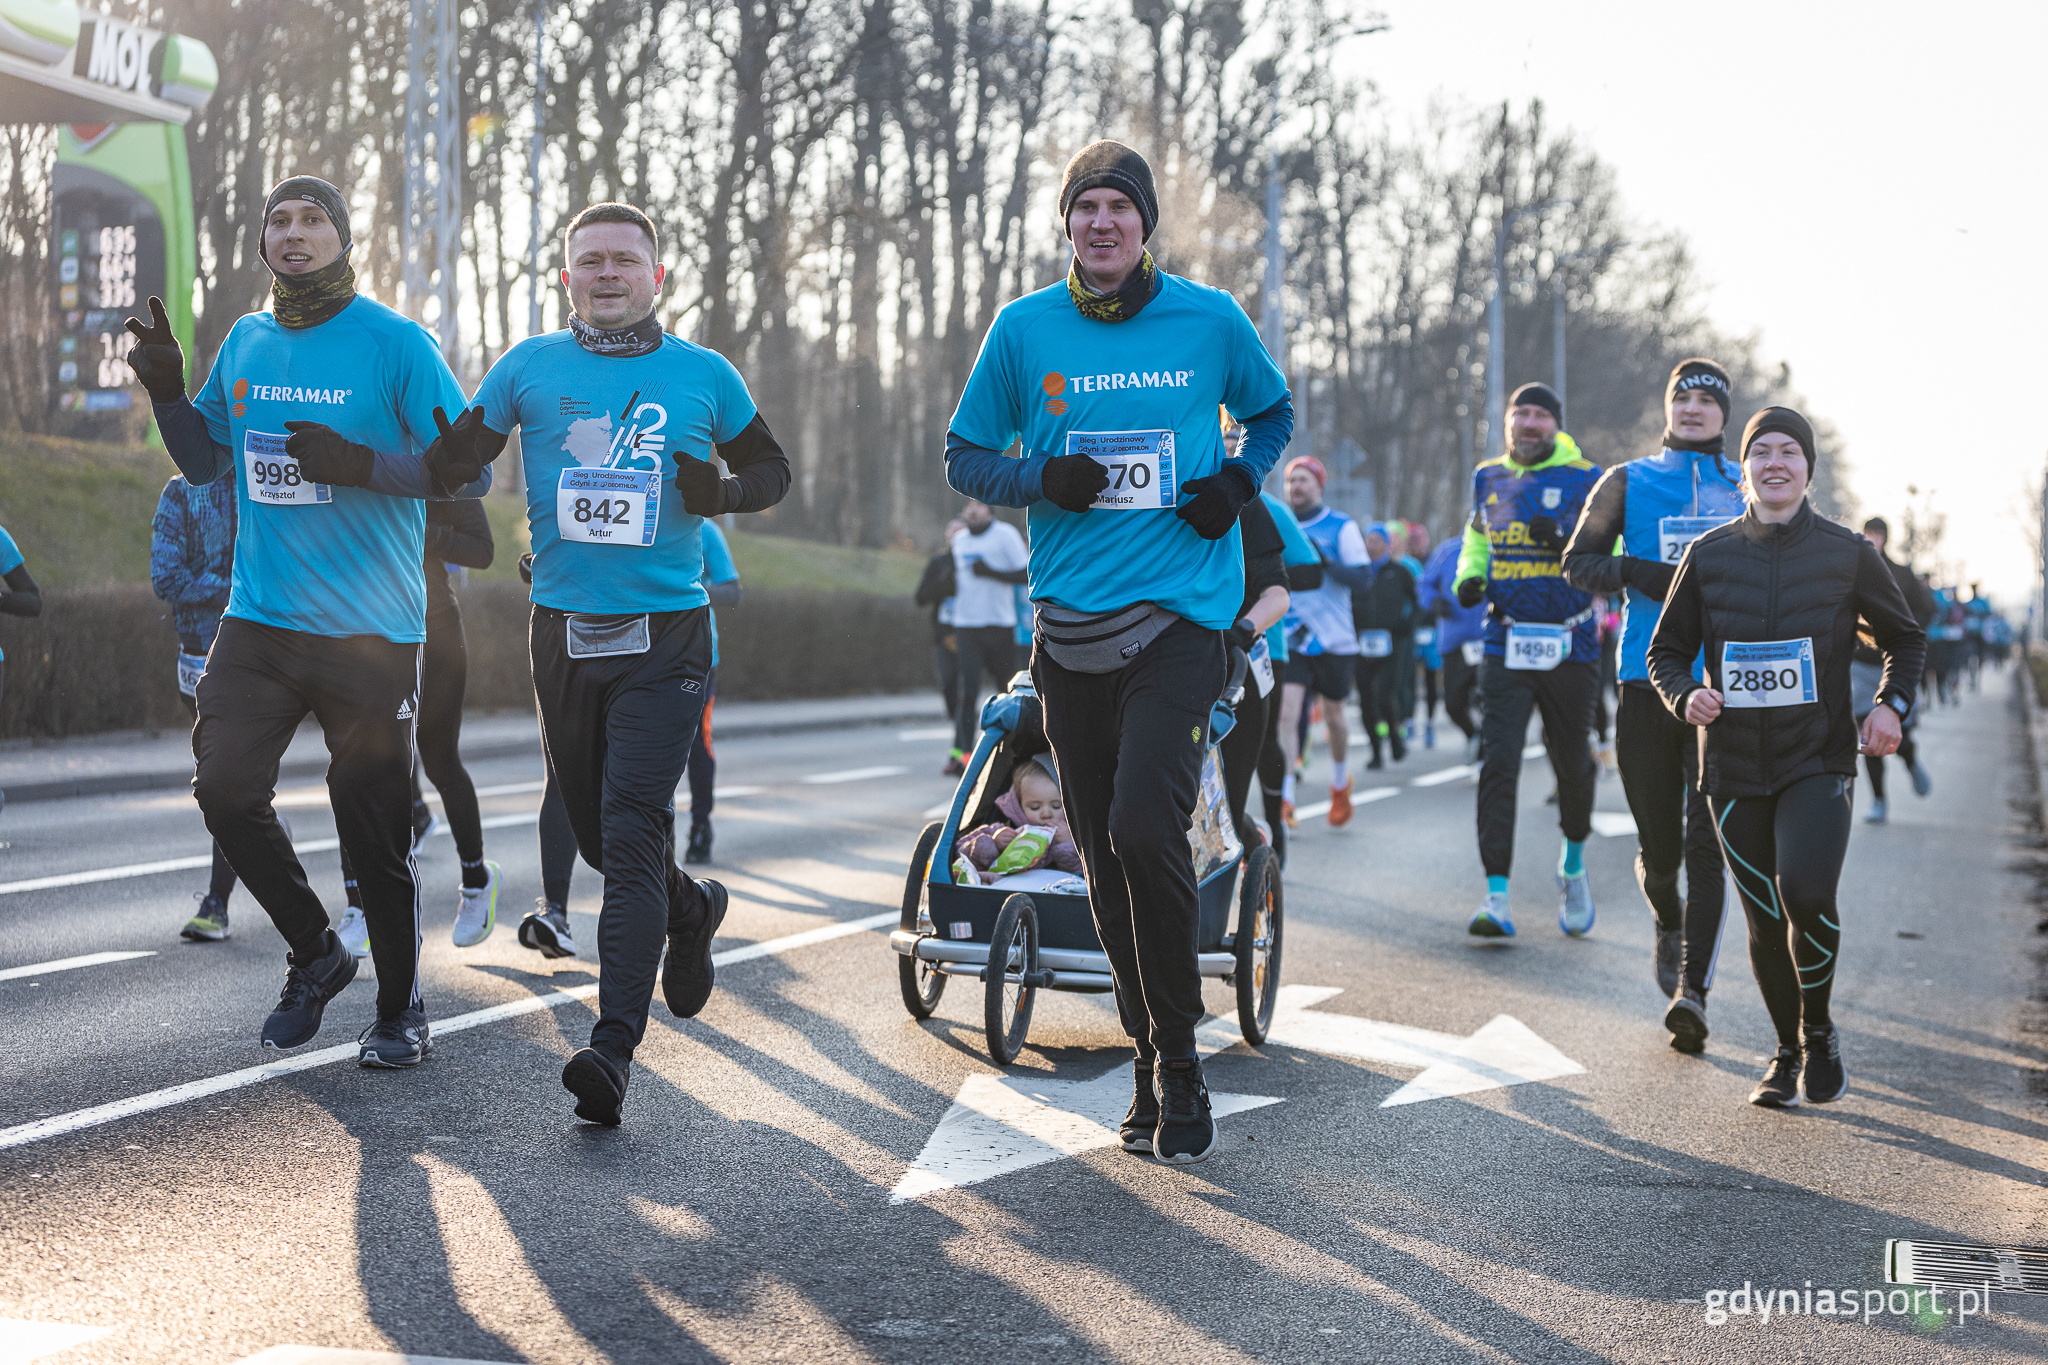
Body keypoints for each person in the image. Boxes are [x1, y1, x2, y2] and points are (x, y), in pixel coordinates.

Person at [943, 140, 1291, 1163]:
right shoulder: (1021, 329)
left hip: (1179, 622)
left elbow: (1269, 413)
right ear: (1068, 224)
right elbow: (964, 455)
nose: (1101, 224)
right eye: (1084, 207)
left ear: (1145, 226)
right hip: (1068, 636)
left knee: (1147, 827)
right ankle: (1146, 1053)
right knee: (1099, 858)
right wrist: (1040, 478)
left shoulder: (1208, 319)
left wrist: (1236, 483)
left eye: (1118, 209)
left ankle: (1178, 1061)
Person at [125, 177, 491, 1067]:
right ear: (264, 243)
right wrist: (169, 393)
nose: (294, 233)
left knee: (373, 827)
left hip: (371, 633)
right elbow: (209, 459)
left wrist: (362, 462)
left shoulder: (397, 345)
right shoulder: (247, 341)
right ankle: (318, 952)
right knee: (223, 790)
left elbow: (469, 474)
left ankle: (401, 1012)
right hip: (260, 619)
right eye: (279, 221)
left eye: (313, 219)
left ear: (342, 237)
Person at [464, 201, 789, 1125]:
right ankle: (690, 909)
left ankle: (612, 1049)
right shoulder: (528, 367)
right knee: (609, 844)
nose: (607, 274)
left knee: (633, 827)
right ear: (567, 277)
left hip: (668, 638)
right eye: (589, 261)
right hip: (562, 631)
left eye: (624, 260)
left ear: (656, 275)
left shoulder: (703, 374)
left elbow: (774, 472)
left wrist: (722, 491)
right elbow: (459, 458)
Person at [1648, 407, 1925, 1107]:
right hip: (1734, 767)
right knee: (1765, 916)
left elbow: (1905, 637)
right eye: (1761, 452)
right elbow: (1666, 653)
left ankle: (1820, 1029)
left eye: (1789, 452)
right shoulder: (1707, 555)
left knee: (1805, 892)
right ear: (1743, 468)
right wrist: (1686, 698)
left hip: (1817, 758)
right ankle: (1784, 1051)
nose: (1775, 463)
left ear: (1807, 468)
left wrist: (1891, 703)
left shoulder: (1845, 552)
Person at [1560, 357, 1742, 1036]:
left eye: (1706, 399)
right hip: (1646, 680)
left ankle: (1693, 990)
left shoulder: (1745, 486)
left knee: (1708, 839)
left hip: (1725, 689)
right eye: (1682, 397)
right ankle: (1666, 915)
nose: (1693, 407)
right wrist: (1643, 572)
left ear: (1724, 414)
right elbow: (1577, 564)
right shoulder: (1628, 481)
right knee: (1662, 849)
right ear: (1668, 408)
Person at [1453, 382, 1602, 940]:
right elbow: (1477, 539)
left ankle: (1573, 866)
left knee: (1572, 765)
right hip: (1506, 641)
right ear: (1509, 422)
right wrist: (1468, 577)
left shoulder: (1589, 478)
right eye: (1522, 413)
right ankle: (1496, 895)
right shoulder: (1488, 476)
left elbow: (1610, 555)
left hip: (1571, 643)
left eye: (1541, 415)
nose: (1530, 423)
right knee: (1499, 765)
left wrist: (1564, 539)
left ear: (1556, 425)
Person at [151, 473, 240, 942]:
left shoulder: (258, 478)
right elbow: (165, 577)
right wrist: (235, 587)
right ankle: (262, 825)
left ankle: (215, 905)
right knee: (225, 781)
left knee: (225, 779)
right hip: (196, 661)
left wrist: (212, 585)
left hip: (251, 658)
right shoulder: (180, 492)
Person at [1276, 455, 1370, 826]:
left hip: (1334, 638)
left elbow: (1363, 580)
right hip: (1293, 637)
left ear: (1319, 485)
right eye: (1291, 480)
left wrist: (1323, 560)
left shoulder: (1340, 526)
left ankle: (1339, 781)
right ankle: (1285, 795)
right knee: (1287, 712)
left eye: (1303, 480)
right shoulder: (1279, 522)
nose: (1296, 487)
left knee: (1334, 718)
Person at [1854, 517, 1936, 824]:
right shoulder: (1852, 568)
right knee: (1868, 735)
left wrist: (1902, 628)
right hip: (1862, 664)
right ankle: (1878, 801)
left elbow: (1928, 609)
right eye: (1868, 533)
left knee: (1899, 734)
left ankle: (1912, 762)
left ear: (1886, 538)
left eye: (1878, 534)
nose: (1873, 539)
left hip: (1895, 664)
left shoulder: (1902, 574)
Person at [944, 500, 1029, 773]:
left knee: (1005, 692)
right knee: (967, 694)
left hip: (999, 624)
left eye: (979, 504)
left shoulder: (1005, 535)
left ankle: (1011, 756)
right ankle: (962, 757)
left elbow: (1027, 573)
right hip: (966, 625)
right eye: (967, 505)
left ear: (989, 508)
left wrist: (991, 571)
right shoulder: (960, 542)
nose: (972, 510)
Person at [684, 518, 742, 863]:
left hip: (698, 656)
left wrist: (684, 590)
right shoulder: (637, 513)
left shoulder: (705, 531)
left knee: (696, 742)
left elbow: (732, 591)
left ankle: (701, 825)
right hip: (643, 652)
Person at [953, 755, 1083, 883]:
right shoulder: (1005, 829)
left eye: (1056, 806)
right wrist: (992, 844)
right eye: (1035, 807)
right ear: (1019, 805)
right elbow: (957, 853)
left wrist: (1068, 845)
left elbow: (1082, 876)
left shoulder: (1077, 837)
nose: (1046, 814)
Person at [1418, 521, 1487, 755]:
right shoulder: (1447, 551)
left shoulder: (1501, 549)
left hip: (1490, 640)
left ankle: (1488, 747)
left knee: (1489, 700)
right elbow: (1425, 585)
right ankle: (1473, 735)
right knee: (1453, 704)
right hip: (1455, 640)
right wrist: (1434, 602)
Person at [1351, 524, 1416, 770]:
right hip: (1362, 645)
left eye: (1377, 540)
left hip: (1392, 645)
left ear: (1388, 545)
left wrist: (1406, 625)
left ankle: (1396, 739)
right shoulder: (1359, 574)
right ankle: (1376, 751)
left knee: (1384, 695)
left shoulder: (1400, 572)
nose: (1372, 545)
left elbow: (1417, 603)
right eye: (1368, 540)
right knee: (1366, 699)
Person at [915, 519, 965, 722]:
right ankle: (957, 727)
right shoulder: (939, 563)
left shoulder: (976, 560)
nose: (956, 537)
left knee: (967, 688)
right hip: (943, 635)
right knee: (948, 683)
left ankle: (965, 736)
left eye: (961, 532)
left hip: (972, 632)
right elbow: (920, 597)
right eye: (952, 532)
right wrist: (942, 586)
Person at [1404, 521, 1443, 747]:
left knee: (1430, 677)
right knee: (1408, 677)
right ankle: (1409, 720)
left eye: (1419, 540)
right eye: (1412, 540)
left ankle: (1429, 722)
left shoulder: (1433, 561)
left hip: (1432, 627)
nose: (1416, 544)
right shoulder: (1405, 565)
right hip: (1411, 628)